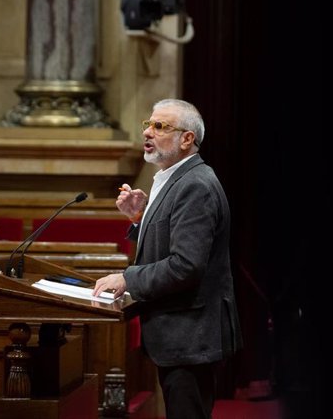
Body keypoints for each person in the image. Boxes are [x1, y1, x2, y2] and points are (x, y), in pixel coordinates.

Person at [93, 99, 243, 419]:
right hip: (181, 333)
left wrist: (127, 278)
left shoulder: (195, 185)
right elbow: (171, 244)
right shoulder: (174, 177)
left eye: (160, 127)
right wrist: (138, 219)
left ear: (186, 139)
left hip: (190, 334)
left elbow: (186, 265)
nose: (148, 131)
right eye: (148, 124)